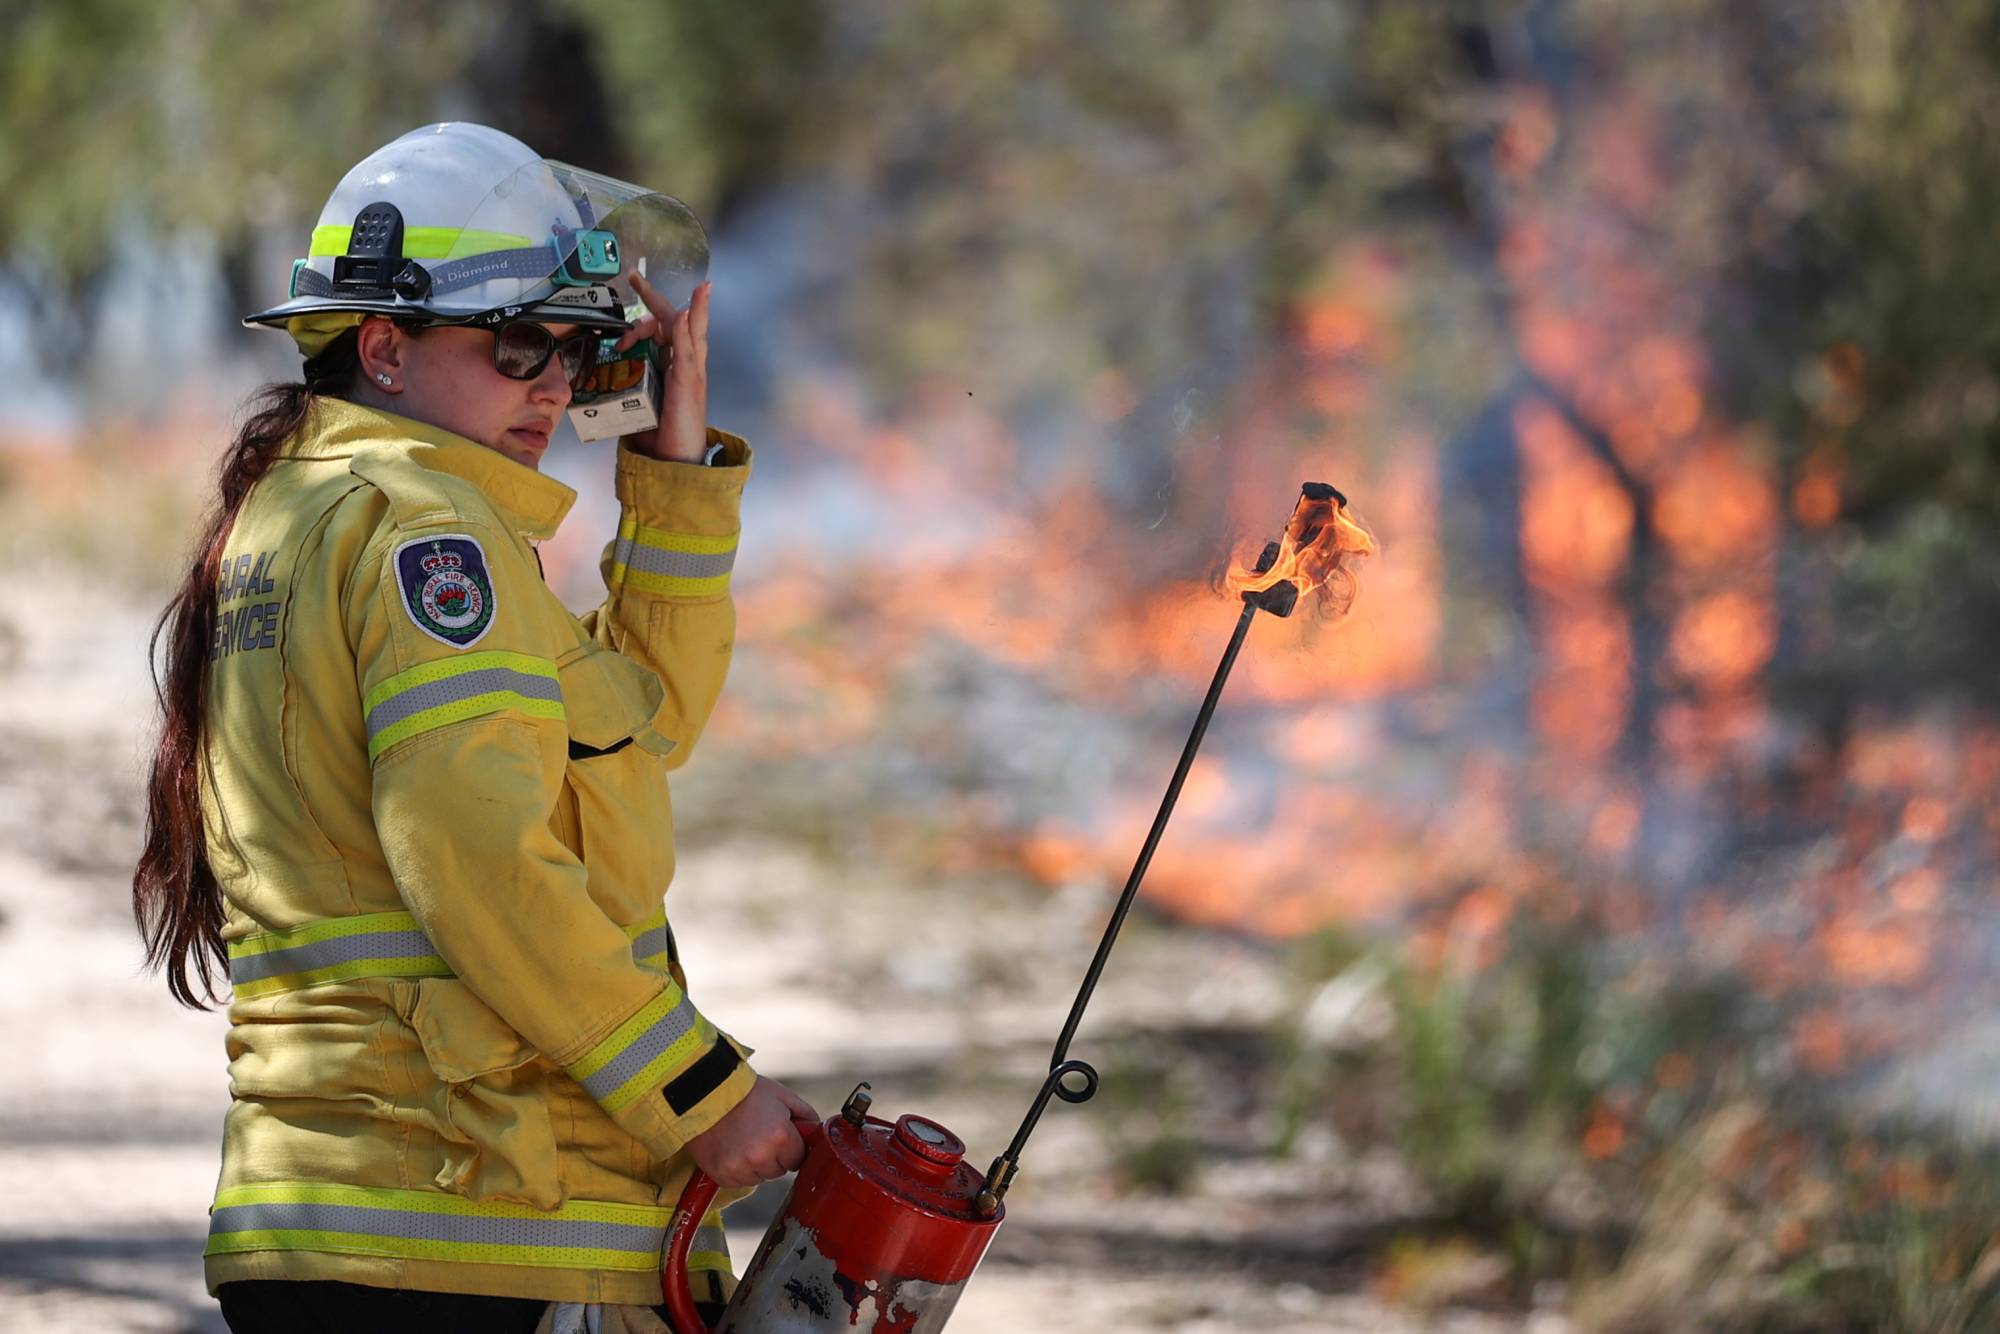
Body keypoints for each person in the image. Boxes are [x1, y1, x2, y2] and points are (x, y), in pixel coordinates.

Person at [130, 122, 816, 1333]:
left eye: (580, 348)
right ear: (384, 345)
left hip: (364, 1218)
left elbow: (634, 733)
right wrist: (697, 1088)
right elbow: (476, 856)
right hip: (468, 1223)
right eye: (517, 343)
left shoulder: (308, 511)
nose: (555, 384)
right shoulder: (425, 536)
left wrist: (673, 471)